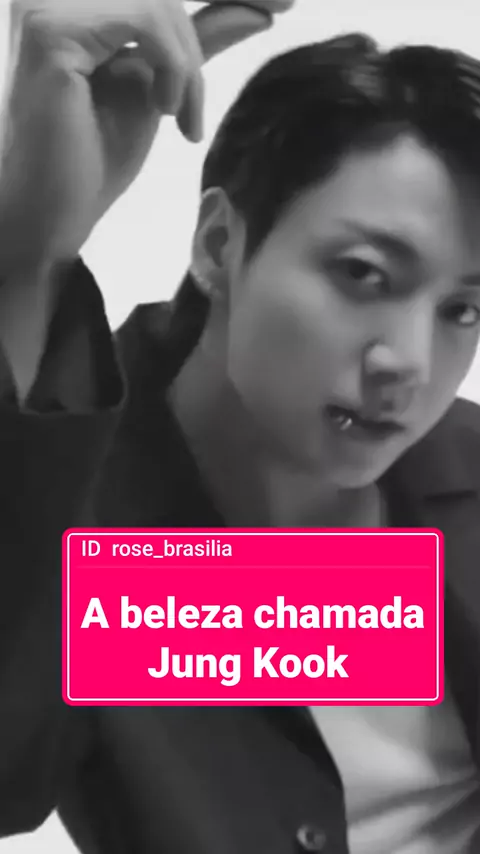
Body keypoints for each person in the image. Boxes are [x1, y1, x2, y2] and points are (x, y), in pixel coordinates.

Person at [1, 0, 480, 852]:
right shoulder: (79, 501)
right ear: (220, 244)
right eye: (363, 273)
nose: (407, 362)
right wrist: (29, 253)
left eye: (463, 309)